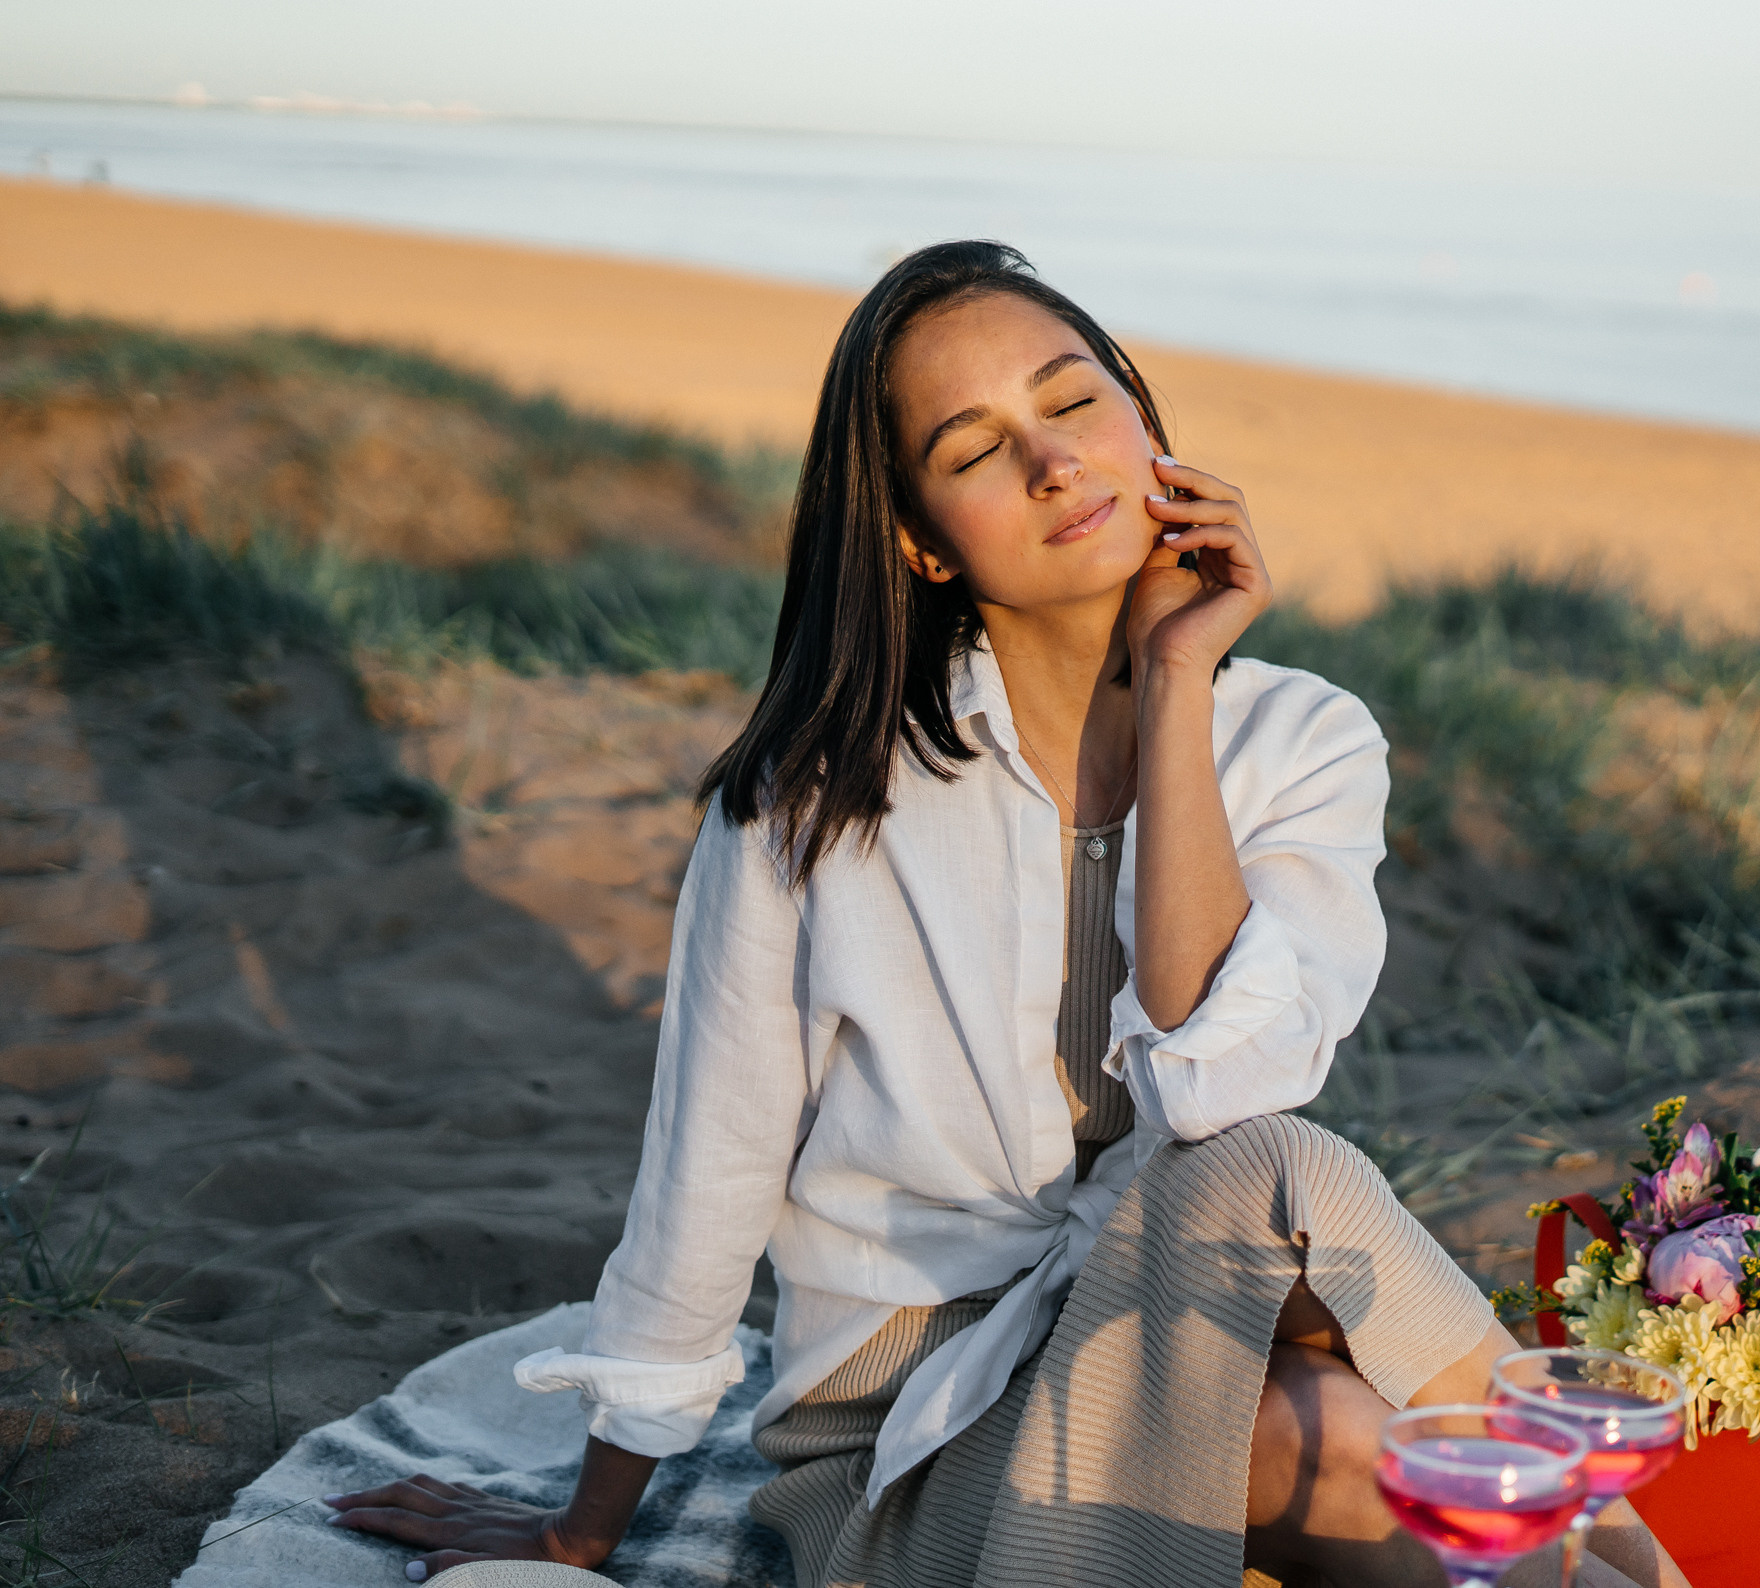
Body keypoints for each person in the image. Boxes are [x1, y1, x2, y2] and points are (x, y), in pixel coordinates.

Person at [326, 241, 1687, 1588]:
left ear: (1145, 421)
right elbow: (706, 1174)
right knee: (1308, 1410)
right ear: (919, 540)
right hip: (909, 1432)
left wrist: (1177, 686)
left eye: (1075, 399)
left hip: (1170, 1304)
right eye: (976, 450)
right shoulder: (812, 806)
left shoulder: (1304, 742)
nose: (1053, 463)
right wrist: (583, 1529)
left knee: (1281, 1198)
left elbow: (1218, 1087)